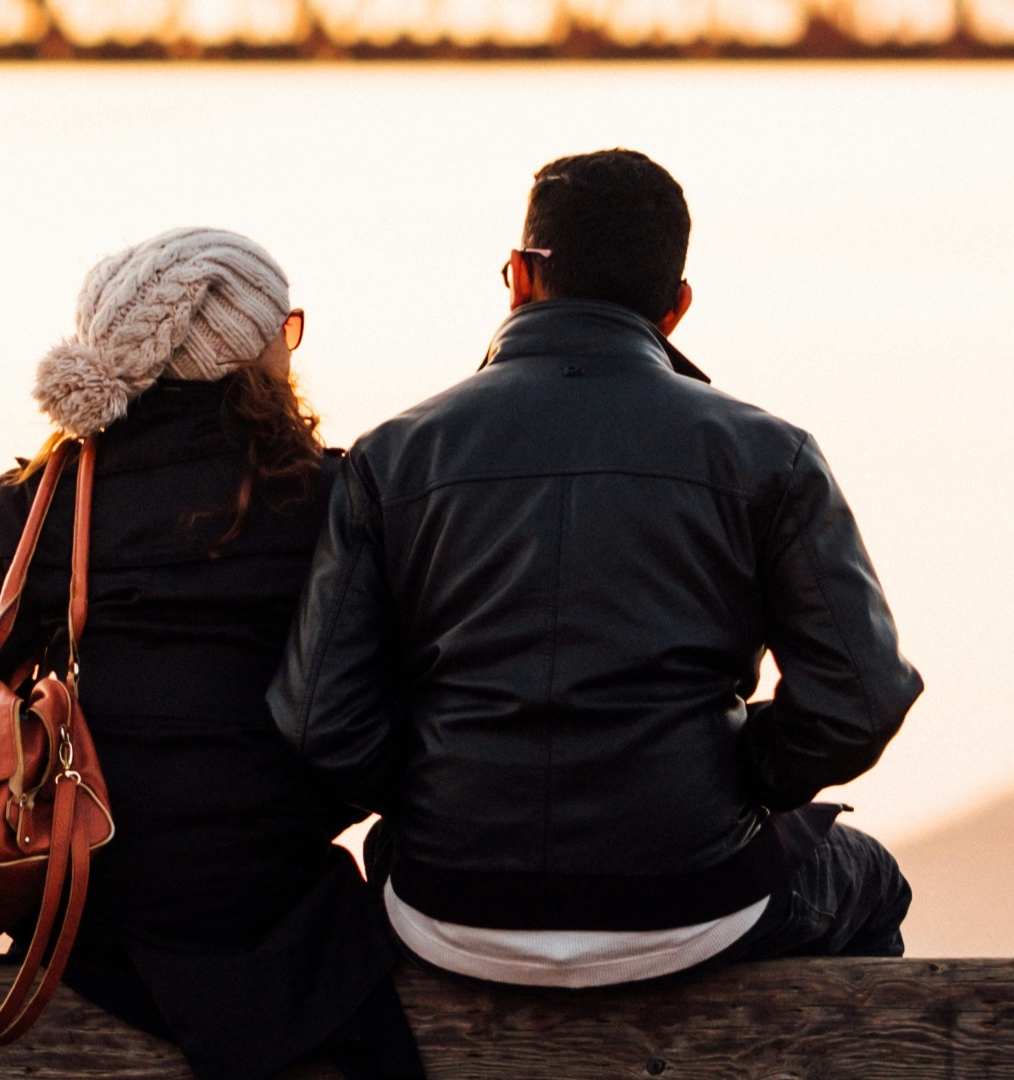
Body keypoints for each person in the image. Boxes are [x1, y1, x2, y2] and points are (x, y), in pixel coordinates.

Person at [270, 149, 923, 989]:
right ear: (677, 307)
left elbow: (318, 715)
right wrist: (745, 777)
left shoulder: (392, 457)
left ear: (521, 276)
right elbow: (861, 700)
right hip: (692, 898)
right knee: (872, 882)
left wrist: (437, 781)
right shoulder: (770, 455)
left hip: (450, 903)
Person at [0, 227, 424, 1079]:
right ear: (247, 354)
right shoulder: (327, 495)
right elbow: (371, 695)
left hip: (95, 887)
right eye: (287, 330)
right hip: (270, 882)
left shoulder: (47, 500)